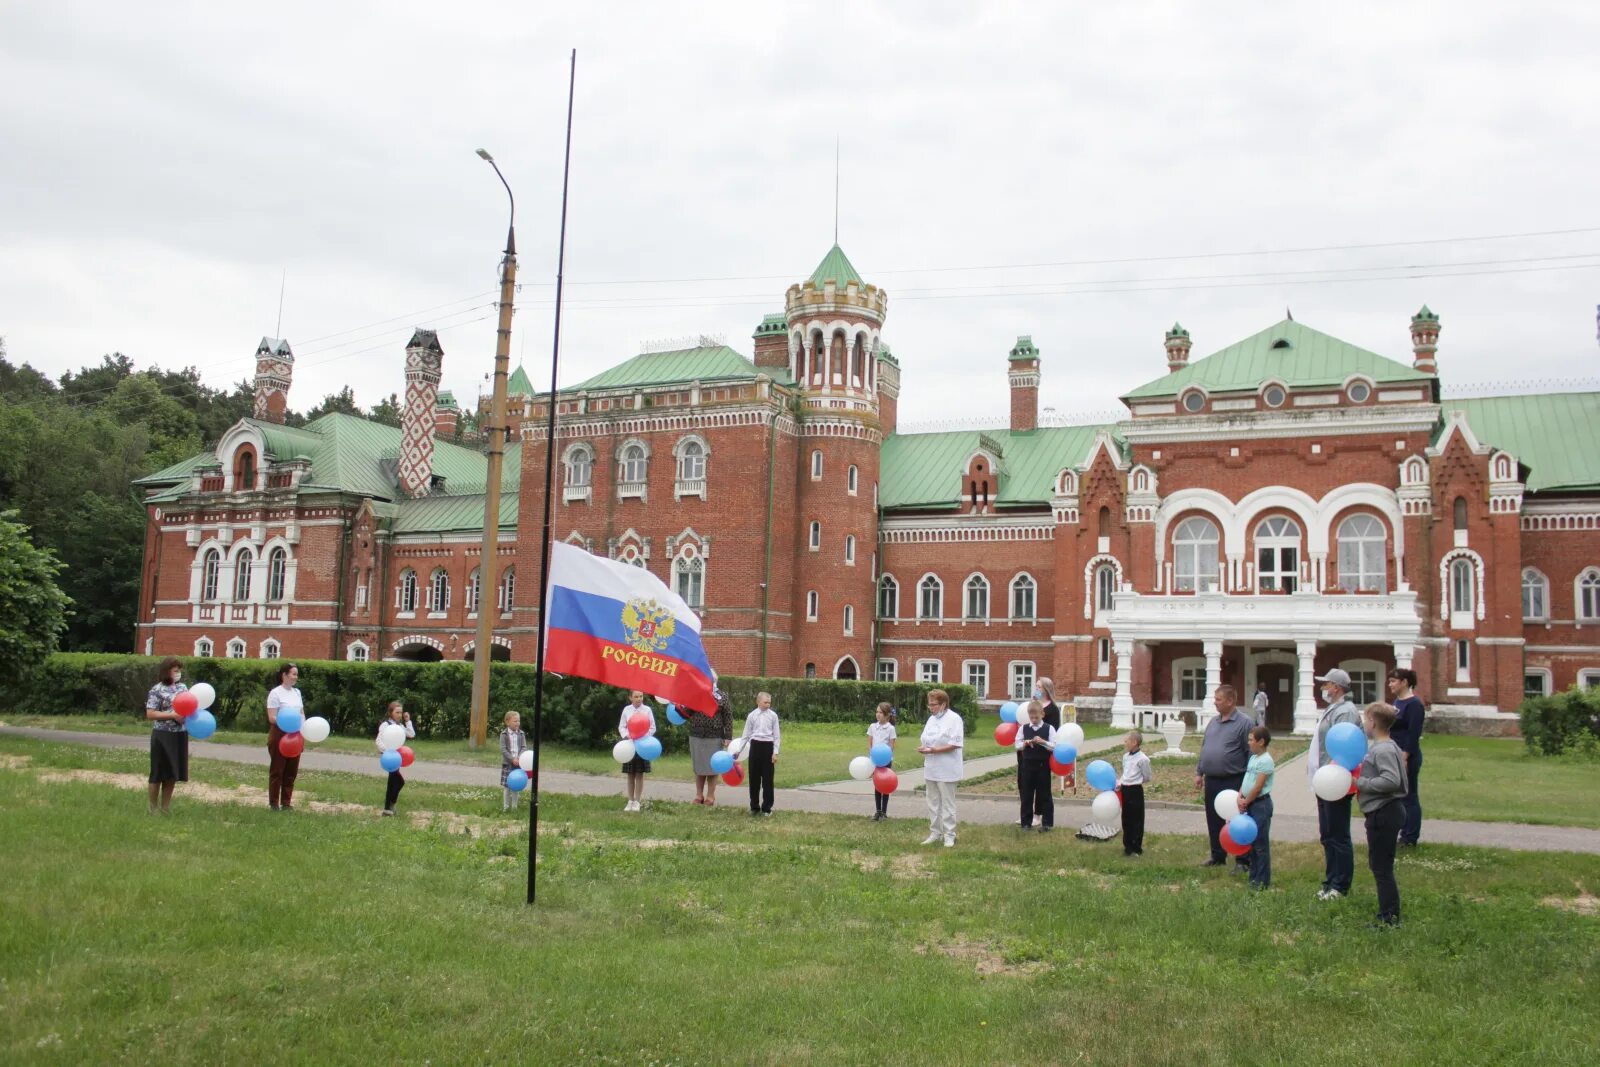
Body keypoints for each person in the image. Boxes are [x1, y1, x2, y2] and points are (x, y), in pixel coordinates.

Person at [1309, 668, 1363, 901]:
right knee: (1327, 834)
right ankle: (1330, 881)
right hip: (1325, 780)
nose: (1323, 688)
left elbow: (1344, 746)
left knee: (1338, 835)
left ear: (1337, 688)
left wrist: (1332, 775)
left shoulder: (1347, 712)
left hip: (1337, 781)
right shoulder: (1334, 709)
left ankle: (1340, 886)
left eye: (1326, 684)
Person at [1357, 702, 1409, 926]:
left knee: (1381, 868)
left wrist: (1360, 782)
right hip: (1385, 811)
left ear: (1374, 722)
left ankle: (1389, 918)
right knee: (1380, 865)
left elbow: (1391, 780)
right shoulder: (1388, 746)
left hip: (1384, 812)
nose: (1364, 723)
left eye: (1366, 719)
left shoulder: (1383, 749)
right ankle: (1389, 913)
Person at [1195, 684, 1252, 870]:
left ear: (1230, 701)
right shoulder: (1213, 722)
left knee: (1237, 819)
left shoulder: (1244, 723)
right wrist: (1199, 772)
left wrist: (1248, 783)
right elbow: (1205, 748)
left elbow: (1250, 753)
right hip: (1212, 780)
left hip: (1234, 779)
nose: (1215, 702)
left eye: (1218, 699)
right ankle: (1217, 855)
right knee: (1213, 818)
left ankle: (1243, 860)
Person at [917, 689, 964, 847]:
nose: (931, 708)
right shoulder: (931, 720)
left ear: (943, 704)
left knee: (947, 803)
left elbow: (955, 744)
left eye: (934, 704)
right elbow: (926, 738)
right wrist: (924, 748)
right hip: (931, 766)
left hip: (947, 767)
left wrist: (934, 750)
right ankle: (935, 832)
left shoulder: (954, 719)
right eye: (929, 704)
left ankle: (949, 834)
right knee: (932, 801)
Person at [144, 657, 189, 813]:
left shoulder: (183, 688)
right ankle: (152, 808)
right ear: (166, 671)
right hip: (162, 735)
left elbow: (189, 706)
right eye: (175, 670)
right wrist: (172, 715)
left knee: (172, 773)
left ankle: (165, 807)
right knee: (158, 771)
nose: (178, 673)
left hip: (180, 734)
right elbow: (150, 713)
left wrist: (186, 716)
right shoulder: (157, 689)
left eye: (179, 670)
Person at [1387, 668, 1426, 847]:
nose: (1390, 684)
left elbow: (1413, 733)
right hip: (1395, 753)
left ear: (1404, 682)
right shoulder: (1398, 702)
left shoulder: (1414, 704)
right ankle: (1402, 832)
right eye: (1389, 681)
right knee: (1399, 796)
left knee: (1409, 796)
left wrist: (1405, 756)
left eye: (1393, 681)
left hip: (1407, 756)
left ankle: (1410, 837)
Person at [1237, 726, 1276, 889]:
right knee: (1252, 844)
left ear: (1261, 742)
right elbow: (1247, 780)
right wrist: (1240, 796)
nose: (1249, 743)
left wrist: (1247, 801)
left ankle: (1262, 881)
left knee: (1260, 845)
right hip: (1249, 803)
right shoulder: (1253, 758)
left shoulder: (1266, 760)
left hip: (1260, 805)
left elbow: (1258, 786)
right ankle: (1253, 878)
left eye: (1251, 739)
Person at [266, 662, 303, 811]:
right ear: (284, 675)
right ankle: (274, 802)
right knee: (277, 770)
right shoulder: (275, 693)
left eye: (296, 674)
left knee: (291, 771)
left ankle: (286, 802)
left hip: (295, 735)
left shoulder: (297, 693)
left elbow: (301, 713)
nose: (295, 677)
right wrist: (285, 722)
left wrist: (303, 726)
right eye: (293, 674)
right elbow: (271, 717)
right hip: (280, 733)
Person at [1014, 700, 1056, 832]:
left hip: (1043, 765)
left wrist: (1043, 742)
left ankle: (1047, 823)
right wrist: (1025, 743)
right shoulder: (1024, 728)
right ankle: (1026, 822)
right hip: (1027, 765)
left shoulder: (1049, 728)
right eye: (1031, 717)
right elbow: (1017, 744)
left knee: (1045, 794)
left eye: (1036, 717)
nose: (1033, 720)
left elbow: (1055, 746)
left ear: (1042, 714)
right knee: (1027, 794)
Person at [688, 687, 735, 806]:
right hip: (697, 734)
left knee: (713, 767)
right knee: (699, 767)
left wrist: (728, 736)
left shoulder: (722, 696)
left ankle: (710, 796)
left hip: (715, 736)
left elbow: (728, 716)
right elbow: (687, 712)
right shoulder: (695, 693)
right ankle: (699, 795)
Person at [741, 691, 781, 816]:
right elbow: (746, 734)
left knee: (768, 779)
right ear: (758, 702)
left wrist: (775, 752)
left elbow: (776, 736)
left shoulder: (773, 716)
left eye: (769, 702)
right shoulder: (752, 715)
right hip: (755, 746)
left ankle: (767, 808)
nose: (768, 705)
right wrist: (739, 750)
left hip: (768, 746)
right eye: (765, 702)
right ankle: (754, 807)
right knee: (754, 778)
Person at [375, 700, 415, 816]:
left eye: (401, 712)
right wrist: (388, 751)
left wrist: (408, 721)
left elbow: (411, 734)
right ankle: (389, 807)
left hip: (397, 757)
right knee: (397, 781)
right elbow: (378, 741)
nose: (399, 715)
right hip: (390, 757)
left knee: (393, 781)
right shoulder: (386, 725)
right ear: (391, 713)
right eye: (397, 712)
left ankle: (389, 808)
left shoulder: (400, 726)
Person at [618, 691, 656, 812]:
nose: (639, 699)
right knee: (630, 774)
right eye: (636, 696)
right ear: (630, 697)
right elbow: (621, 726)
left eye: (641, 696)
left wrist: (644, 736)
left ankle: (637, 801)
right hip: (629, 745)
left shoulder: (647, 710)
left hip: (643, 745)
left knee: (639, 773)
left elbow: (652, 727)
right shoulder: (626, 710)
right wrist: (627, 736)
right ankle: (630, 800)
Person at [1119, 730, 1152, 856]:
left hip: (1135, 790)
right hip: (1125, 789)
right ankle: (1127, 846)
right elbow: (1125, 773)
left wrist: (1135, 782)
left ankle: (1136, 847)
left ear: (1134, 742)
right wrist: (1121, 783)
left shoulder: (1143, 759)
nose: (1125, 742)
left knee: (1136, 819)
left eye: (1127, 740)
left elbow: (1147, 776)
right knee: (1126, 818)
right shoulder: (1125, 757)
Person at [867, 702, 897, 820]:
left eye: (881, 712)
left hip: (886, 760)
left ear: (887, 715)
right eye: (877, 712)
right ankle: (878, 811)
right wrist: (872, 754)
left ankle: (884, 812)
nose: (878, 714)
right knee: (877, 785)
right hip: (875, 760)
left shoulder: (891, 728)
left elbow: (891, 745)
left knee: (886, 785)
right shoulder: (872, 726)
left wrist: (886, 757)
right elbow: (869, 742)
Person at [499, 711, 527, 811]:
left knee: (516, 786)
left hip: (518, 764)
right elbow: (503, 749)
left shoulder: (521, 734)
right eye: (515, 721)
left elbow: (524, 747)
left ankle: (514, 807)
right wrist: (512, 759)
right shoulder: (504, 734)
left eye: (518, 721)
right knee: (507, 787)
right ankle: (505, 807)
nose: (517, 723)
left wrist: (519, 758)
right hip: (508, 764)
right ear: (508, 722)